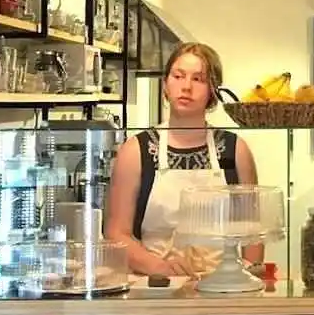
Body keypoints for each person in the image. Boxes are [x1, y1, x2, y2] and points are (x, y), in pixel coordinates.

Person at [105, 42, 259, 277]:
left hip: (223, 282)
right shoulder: (136, 151)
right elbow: (116, 233)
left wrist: (246, 279)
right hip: (156, 284)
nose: (186, 87)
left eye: (198, 79)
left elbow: (254, 234)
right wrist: (160, 268)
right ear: (165, 84)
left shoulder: (234, 150)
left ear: (213, 92)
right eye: (178, 76)